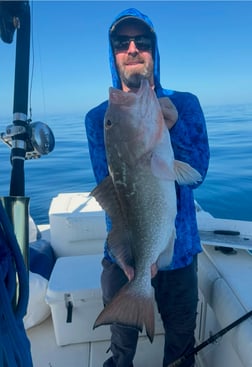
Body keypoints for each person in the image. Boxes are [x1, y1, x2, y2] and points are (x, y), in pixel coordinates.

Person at [85, 8, 210, 367]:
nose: (133, 48)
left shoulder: (185, 104)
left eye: (142, 41)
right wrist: (128, 258)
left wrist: (173, 127)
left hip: (180, 249)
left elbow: (197, 173)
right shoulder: (100, 118)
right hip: (126, 252)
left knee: (181, 343)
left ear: (155, 50)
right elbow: (114, 190)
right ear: (113, 54)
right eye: (122, 43)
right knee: (121, 346)